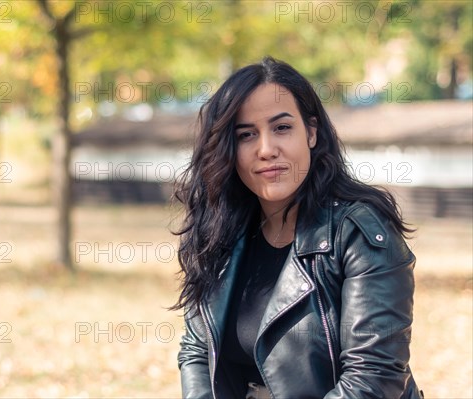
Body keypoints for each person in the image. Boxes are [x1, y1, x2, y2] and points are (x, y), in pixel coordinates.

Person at [171, 57, 423, 399]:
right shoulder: (220, 232)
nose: (266, 149)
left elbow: (373, 379)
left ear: (312, 133)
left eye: (282, 128)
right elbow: (198, 350)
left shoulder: (359, 233)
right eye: (246, 135)